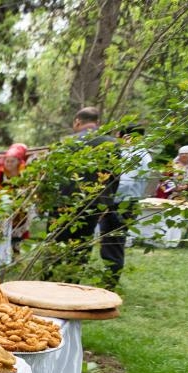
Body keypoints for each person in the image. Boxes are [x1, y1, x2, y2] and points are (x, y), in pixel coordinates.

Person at [48, 107, 121, 284]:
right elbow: (114, 177)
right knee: (81, 245)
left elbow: (53, 175)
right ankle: (72, 283)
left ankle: (48, 281)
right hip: (93, 204)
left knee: (55, 243)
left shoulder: (66, 142)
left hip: (62, 203)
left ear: (77, 122)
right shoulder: (112, 144)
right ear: (98, 122)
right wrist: (106, 204)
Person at [0, 143, 30, 254]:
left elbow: (30, 187)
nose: (8, 163)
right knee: (2, 230)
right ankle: (1, 253)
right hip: (2, 206)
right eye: (7, 161)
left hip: (20, 207)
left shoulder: (25, 173)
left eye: (12, 161)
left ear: (19, 162)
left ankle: (16, 251)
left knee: (18, 231)